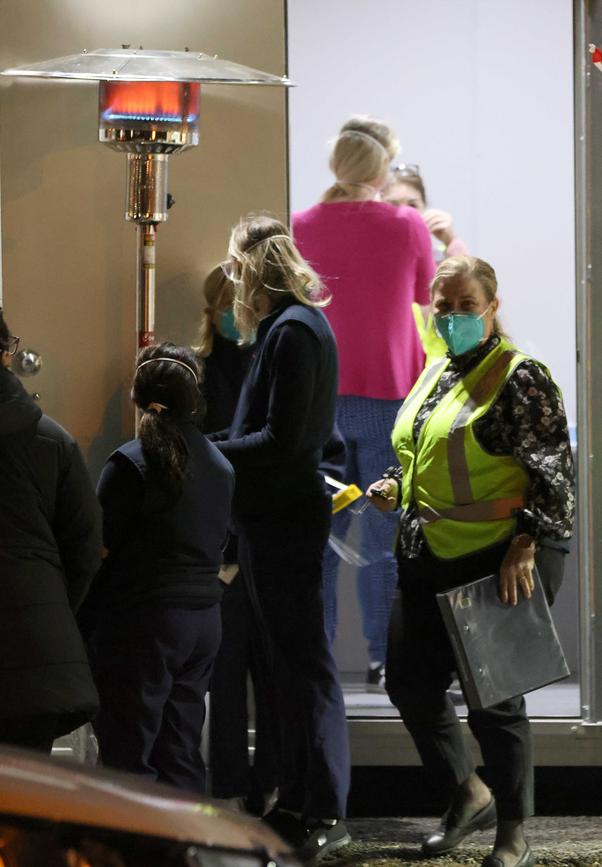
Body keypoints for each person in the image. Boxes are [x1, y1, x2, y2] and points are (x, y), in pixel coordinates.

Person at [367, 255, 575, 867]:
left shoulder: (520, 376)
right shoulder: (437, 371)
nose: (454, 316)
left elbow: (555, 474)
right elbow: (420, 456)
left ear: (492, 305)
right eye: (445, 306)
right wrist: (392, 486)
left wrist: (527, 544)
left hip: (502, 554)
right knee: (409, 683)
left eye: (466, 305)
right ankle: (468, 793)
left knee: (494, 699)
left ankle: (513, 833)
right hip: (429, 549)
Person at [213, 215, 351, 863]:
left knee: (305, 672)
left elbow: (284, 442)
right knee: (287, 674)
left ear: (253, 267)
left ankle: (323, 807)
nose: (232, 278)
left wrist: (207, 451)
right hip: (272, 523)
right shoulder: (288, 329)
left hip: (285, 526)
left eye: (236, 266)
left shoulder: (292, 332)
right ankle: (297, 802)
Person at [292, 116, 436, 691]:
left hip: (318, 397)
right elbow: (425, 296)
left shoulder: (301, 224)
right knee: (384, 540)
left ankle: (319, 656)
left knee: (321, 538)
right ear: (381, 167)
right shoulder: (407, 225)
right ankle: (383, 658)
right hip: (389, 395)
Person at [0, 285, 101, 752]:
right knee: (17, 811)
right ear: (1, 354)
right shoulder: (51, 441)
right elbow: (84, 544)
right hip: (31, 648)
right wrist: (50, 607)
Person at [87, 343, 234, 792]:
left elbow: (99, 546)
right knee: (182, 748)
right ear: (196, 399)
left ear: (137, 395)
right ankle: (183, 848)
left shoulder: (130, 463)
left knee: (129, 752)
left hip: (143, 621)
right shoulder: (221, 465)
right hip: (204, 622)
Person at [195, 264, 277, 813]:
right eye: (225, 304)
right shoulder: (197, 375)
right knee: (223, 680)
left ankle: (269, 785)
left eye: (242, 302)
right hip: (219, 551)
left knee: (271, 678)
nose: (234, 314)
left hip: (268, 542)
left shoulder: (275, 366)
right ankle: (226, 788)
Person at [385, 162, 469, 364]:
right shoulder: (371, 264)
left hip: (440, 384)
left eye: (413, 206)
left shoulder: (444, 261)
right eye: (392, 205)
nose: (405, 215)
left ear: (425, 211)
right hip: (394, 385)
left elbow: (479, 306)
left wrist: (451, 240)